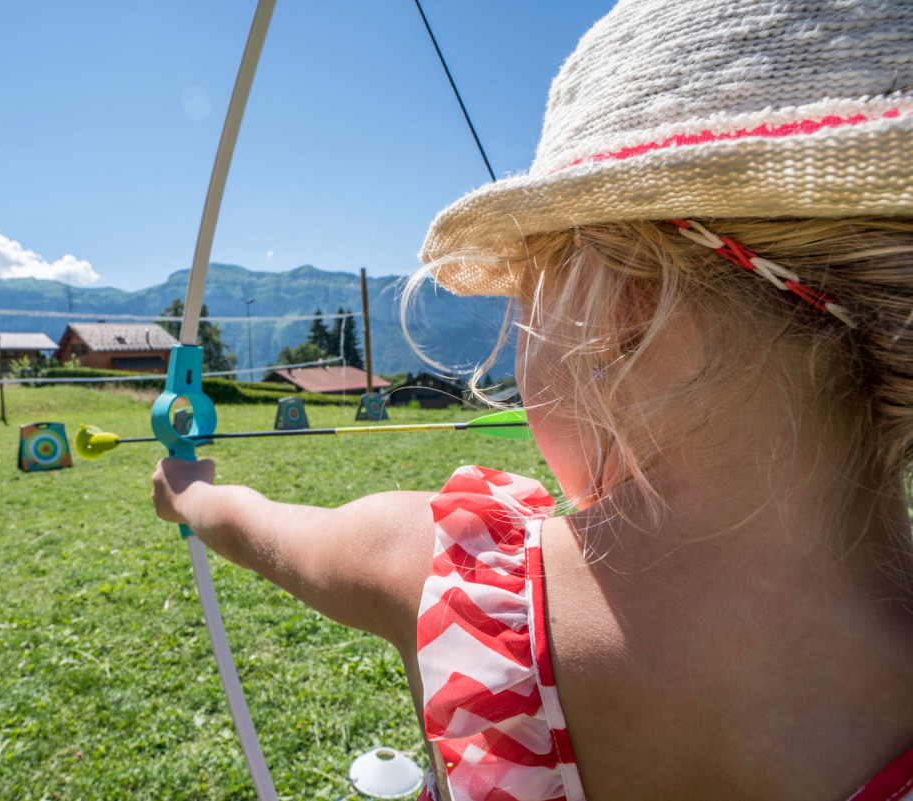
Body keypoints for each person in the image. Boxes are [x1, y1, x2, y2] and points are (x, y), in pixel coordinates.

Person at [152, 0, 913, 798]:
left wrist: (191, 490)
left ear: (625, 309)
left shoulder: (464, 578)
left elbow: (271, 528)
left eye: (526, 293)